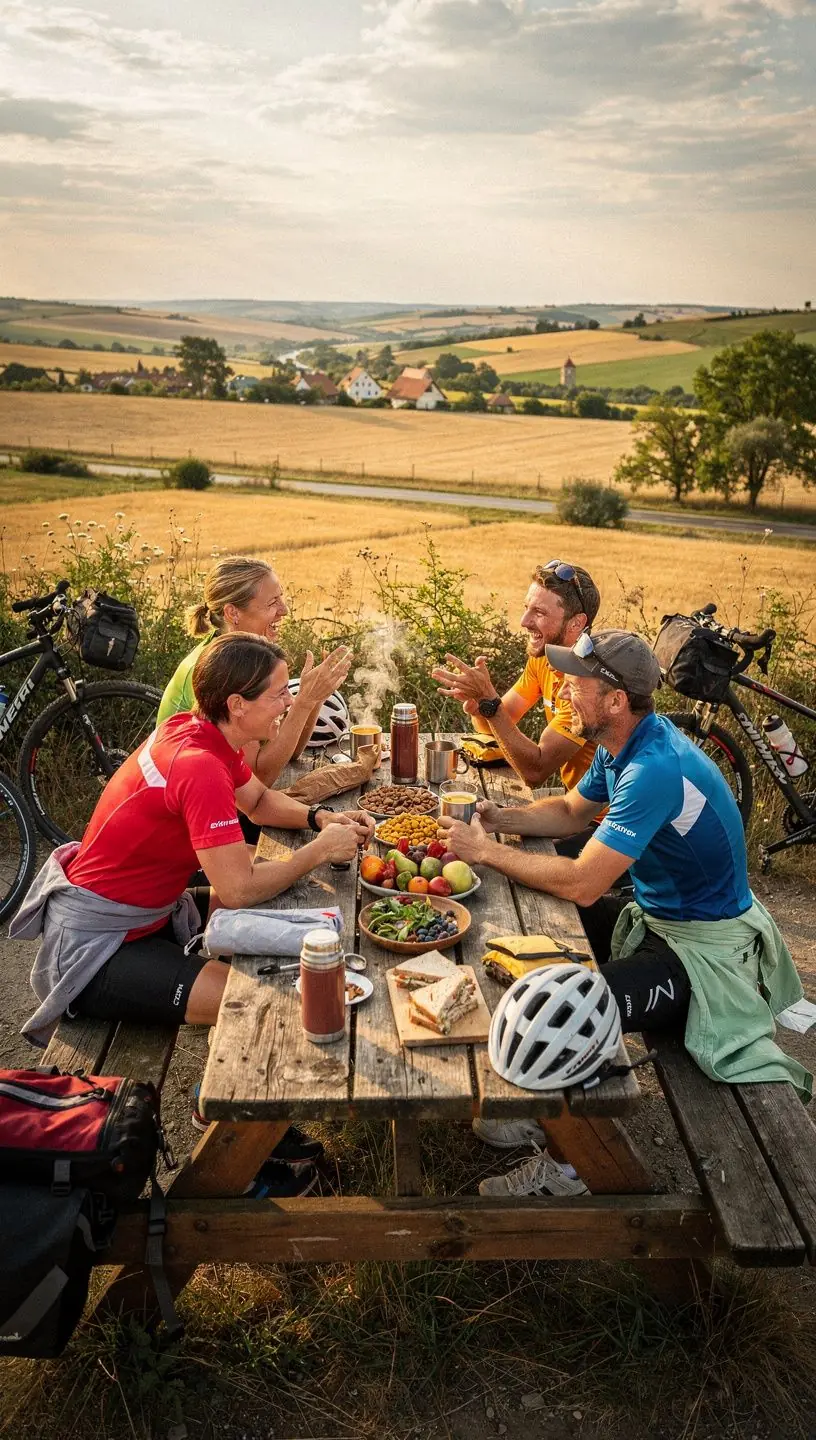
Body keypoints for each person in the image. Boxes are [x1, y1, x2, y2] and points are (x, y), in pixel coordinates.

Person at [440, 629, 812, 1199]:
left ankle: (572, 1169)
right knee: (516, 933)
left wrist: (485, 853)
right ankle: (542, 1111)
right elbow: (567, 811)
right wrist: (499, 817)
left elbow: (586, 885)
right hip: (663, 922)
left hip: (709, 956)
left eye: (577, 683)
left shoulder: (653, 768)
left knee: (566, 1014)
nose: (563, 689)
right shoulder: (624, 745)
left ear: (615, 701)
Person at [13, 633, 374, 1197]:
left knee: (297, 943)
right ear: (238, 704)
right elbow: (239, 885)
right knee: (259, 1001)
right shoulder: (199, 764)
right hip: (98, 949)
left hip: (146, 917)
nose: (289, 702)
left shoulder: (201, 730)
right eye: (280, 694)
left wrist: (319, 818)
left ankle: (252, 1127)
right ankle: (230, 1152)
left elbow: (254, 802)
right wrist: (316, 854)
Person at [158, 556, 352, 792]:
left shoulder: (243, 656)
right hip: (186, 808)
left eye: (282, 598)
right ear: (232, 613)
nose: (285, 610)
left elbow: (287, 752)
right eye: (272, 603)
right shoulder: (221, 669)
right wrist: (304, 702)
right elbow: (257, 779)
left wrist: (316, 696)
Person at [431, 560, 601, 791]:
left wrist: (489, 701)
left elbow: (535, 771)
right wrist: (481, 705)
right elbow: (495, 723)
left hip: (603, 818)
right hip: (575, 807)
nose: (524, 622)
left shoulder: (590, 682)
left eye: (539, 612)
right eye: (526, 608)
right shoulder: (543, 659)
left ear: (576, 623)